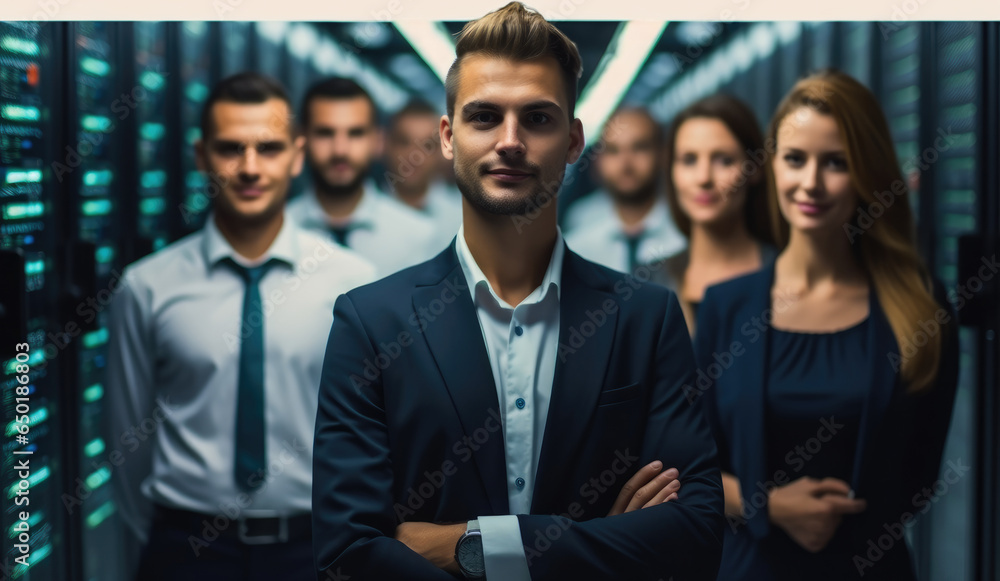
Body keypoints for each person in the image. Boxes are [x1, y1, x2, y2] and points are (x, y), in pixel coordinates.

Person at [311, 3, 724, 581]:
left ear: (574, 140)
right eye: (484, 117)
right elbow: (345, 551)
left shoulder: (644, 317)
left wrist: (476, 545)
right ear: (448, 138)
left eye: (538, 118)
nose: (510, 141)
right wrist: (601, 541)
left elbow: (697, 533)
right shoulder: (370, 322)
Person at [105, 72, 376, 581]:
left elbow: (374, 434)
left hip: (316, 548)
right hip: (187, 551)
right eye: (231, 149)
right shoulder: (147, 287)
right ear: (201, 155)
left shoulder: (353, 283)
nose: (250, 168)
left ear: (296, 156)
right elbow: (127, 443)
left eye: (268, 148)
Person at [693, 69, 960, 581]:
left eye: (836, 162)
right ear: (772, 167)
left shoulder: (921, 306)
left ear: (867, 173)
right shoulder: (725, 307)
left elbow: (921, 475)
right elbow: (689, 466)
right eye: (795, 159)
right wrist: (767, 505)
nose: (810, 183)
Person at [287, 77, 440, 277]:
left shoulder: (419, 238)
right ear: (301, 140)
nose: (340, 150)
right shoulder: (280, 232)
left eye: (355, 133)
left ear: (378, 141)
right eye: (325, 133)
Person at [649, 94, 777, 334]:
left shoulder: (787, 277)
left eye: (724, 160)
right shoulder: (647, 282)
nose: (704, 178)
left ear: (755, 169)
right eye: (689, 160)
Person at [564, 107, 686, 273]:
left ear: (663, 155)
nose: (625, 165)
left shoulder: (687, 235)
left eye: (639, 148)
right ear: (598, 161)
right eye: (613, 150)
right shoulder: (577, 246)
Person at [384, 98, 464, 248]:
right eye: (404, 142)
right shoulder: (365, 214)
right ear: (386, 145)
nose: (414, 155)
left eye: (427, 146)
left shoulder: (462, 221)